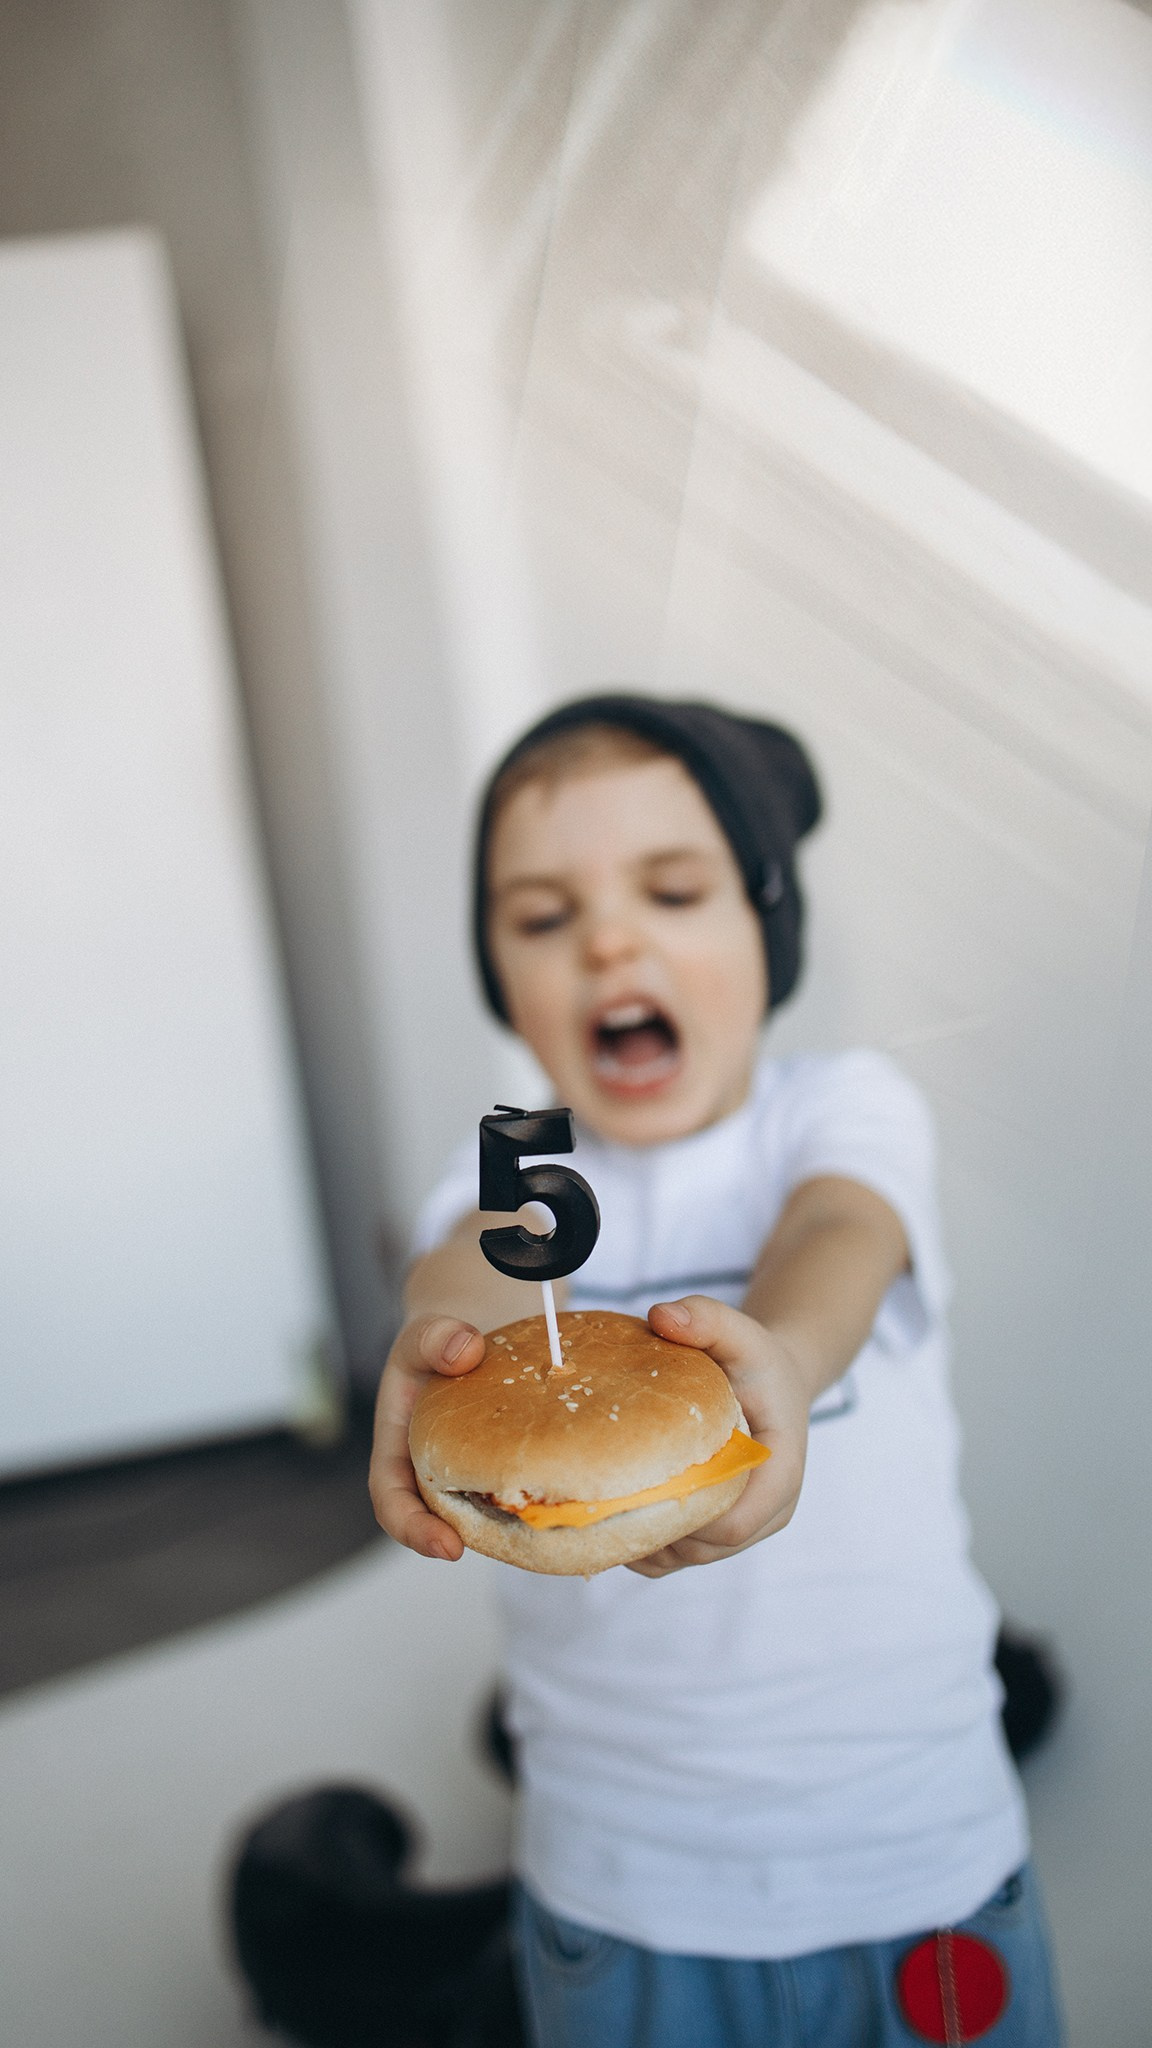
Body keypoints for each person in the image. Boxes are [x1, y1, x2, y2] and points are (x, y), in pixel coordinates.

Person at [370, 694, 1063, 2047]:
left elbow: (840, 1231)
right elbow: (462, 1262)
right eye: (541, 917)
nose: (608, 941)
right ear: (502, 975)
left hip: (913, 1854)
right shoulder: (509, 1167)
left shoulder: (839, 1108)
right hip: (622, 1890)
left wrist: (787, 1362)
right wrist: (436, 1340)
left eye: (672, 892)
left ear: (766, 928)